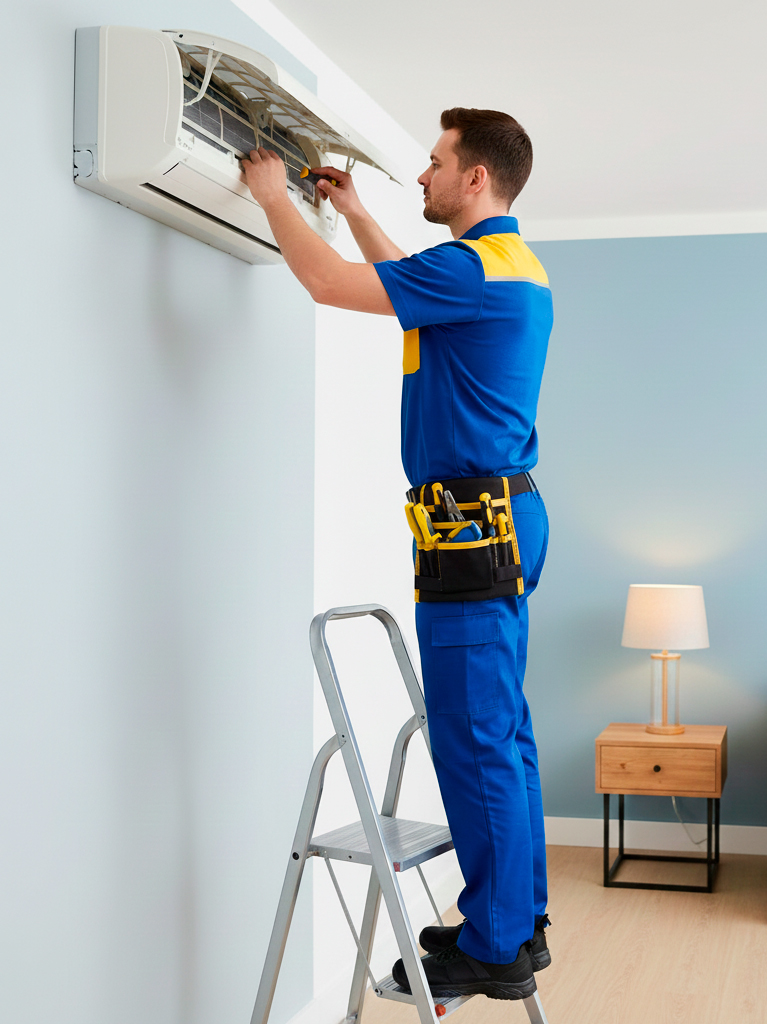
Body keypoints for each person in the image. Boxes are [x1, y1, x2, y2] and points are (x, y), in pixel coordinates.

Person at [241, 108, 552, 1002]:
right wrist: (355, 206)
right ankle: (518, 919)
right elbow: (407, 280)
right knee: (507, 733)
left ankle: (493, 944)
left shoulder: (467, 270)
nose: (422, 175)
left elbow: (333, 286)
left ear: (475, 180)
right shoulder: (505, 265)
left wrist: (274, 198)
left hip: (469, 531)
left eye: (434, 162)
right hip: (505, 521)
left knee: (472, 737)